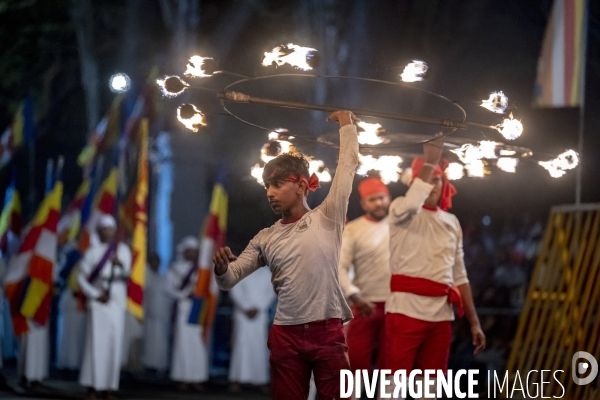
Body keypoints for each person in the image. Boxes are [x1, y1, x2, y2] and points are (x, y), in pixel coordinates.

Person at [213, 110, 359, 400]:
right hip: (285, 335)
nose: (269, 192)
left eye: (277, 184)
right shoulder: (265, 237)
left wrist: (347, 125)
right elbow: (230, 280)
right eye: (267, 185)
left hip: (327, 331)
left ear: (302, 185)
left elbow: (348, 166)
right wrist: (220, 269)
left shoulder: (328, 217)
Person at [385, 139, 486, 399]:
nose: (431, 184)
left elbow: (460, 274)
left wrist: (475, 323)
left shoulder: (452, 221)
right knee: (392, 389)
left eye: (437, 179)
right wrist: (430, 162)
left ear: (444, 185)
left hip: (441, 317)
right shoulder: (400, 209)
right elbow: (411, 204)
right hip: (405, 311)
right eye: (425, 179)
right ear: (414, 184)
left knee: (430, 390)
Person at [338, 177, 391, 391]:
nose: (378, 203)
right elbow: (340, 268)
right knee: (356, 363)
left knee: (392, 363)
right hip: (363, 305)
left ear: (389, 199)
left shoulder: (401, 226)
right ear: (364, 204)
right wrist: (354, 296)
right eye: (372, 199)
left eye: (381, 198)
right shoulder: (353, 229)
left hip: (396, 305)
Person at [78, 215, 132, 400]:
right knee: (95, 345)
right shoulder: (91, 252)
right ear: (100, 231)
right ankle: (92, 387)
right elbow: (80, 278)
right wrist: (95, 294)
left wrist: (121, 265)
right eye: (104, 229)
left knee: (113, 346)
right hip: (98, 302)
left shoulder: (123, 250)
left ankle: (108, 388)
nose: (108, 231)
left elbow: (129, 274)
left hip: (116, 303)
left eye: (110, 228)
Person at [167, 237, 208, 392]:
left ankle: (196, 378)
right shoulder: (175, 268)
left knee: (197, 344)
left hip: (198, 309)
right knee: (182, 344)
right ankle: (182, 378)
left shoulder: (202, 270)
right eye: (189, 250)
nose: (192, 253)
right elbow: (169, 290)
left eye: (194, 251)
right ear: (183, 251)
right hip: (183, 308)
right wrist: (185, 293)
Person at [228, 265, 276, 394]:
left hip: (260, 316)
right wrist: (246, 307)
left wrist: (258, 308)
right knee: (240, 346)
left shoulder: (269, 274)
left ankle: (261, 381)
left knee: (260, 348)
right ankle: (236, 380)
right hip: (242, 315)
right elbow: (235, 291)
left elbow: (271, 293)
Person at [142, 253, 171, 375]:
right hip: (148, 318)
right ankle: (147, 366)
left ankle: (159, 367)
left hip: (162, 318)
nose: (156, 264)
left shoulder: (163, 278)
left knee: (160, 344)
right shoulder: (145, 276)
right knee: (148, 343)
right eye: (154, 261)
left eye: (158, 261)